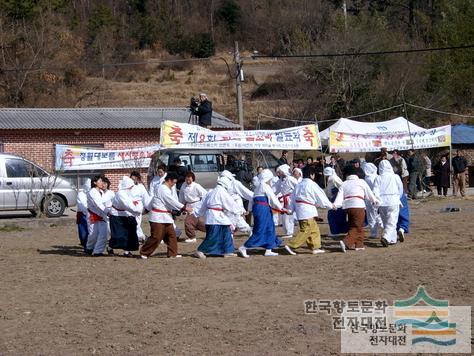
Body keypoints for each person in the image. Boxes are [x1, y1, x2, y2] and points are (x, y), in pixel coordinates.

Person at [140, 172, 192, 259]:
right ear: (169, 180)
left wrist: (175, 211)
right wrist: (183, 207)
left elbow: (167, 203)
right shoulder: (162, 189)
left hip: (166, 216)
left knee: (172, 235)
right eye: (174, 182)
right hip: (157, 217)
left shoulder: (166, 189)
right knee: (156, 237)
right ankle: (144, 252)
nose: (174, 184)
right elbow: (170, 201)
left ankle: (172, 253)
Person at [284, 167, 333, 255]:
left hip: (301, 210)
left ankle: (315, 247)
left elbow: (292, 199)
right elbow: (320, 196)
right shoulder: (312, 184)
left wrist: (290, 209)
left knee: (314, 229)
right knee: (306, 230)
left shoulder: (298, 185)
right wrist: (330, 205)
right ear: (312, 175)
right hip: (307, 210)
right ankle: (291, 245)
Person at [239, 169, 286, 258]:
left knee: (269, 227)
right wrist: (281, 208)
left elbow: (252, 200)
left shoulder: (258, 187)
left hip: (260, 209)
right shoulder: (264, 186)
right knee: (260, 228)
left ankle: (269, 249)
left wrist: (249, 209)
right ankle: (244, 247)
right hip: (262, 209)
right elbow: (273, 198)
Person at [334, 166, 379, 252]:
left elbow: (339, 196)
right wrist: (375, 200)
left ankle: (359, 245)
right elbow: (369, 193)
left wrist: (336, 205)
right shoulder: (361, 182)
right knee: (357, 226)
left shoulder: (344, 183)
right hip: (358, 205)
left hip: (347, 207)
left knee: (355, 225)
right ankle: (346, 242)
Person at [194, 176, 240, 258]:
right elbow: (230, 203)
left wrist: (198, 213)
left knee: (226, 232)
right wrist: (238, 210)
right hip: (216, 216)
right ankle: (200, 250)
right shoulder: (222, 192)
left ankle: (227, 251)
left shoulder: (211, 192)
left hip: (215, 216)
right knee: (213, 236)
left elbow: (203, 204)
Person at [108, 176, 144, 257]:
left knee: (129, 233)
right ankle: (110, 247)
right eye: (130, 186)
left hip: (125, 214)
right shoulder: (121, 193)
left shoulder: (128, 192)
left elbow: (133, 202)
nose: (132, 188)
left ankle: (127, 251)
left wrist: (137, 208)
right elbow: (128, 205)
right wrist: (137, 210)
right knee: (118, 235)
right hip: (116, 215)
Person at [373, 161, 404, 247]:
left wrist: (377, 200)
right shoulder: (395, 177)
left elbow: (375, 190)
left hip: (382, 203)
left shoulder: (378, 178)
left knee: (386, 222)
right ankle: (386, 237)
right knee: (392, 222)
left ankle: (392, 239)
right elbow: (400, 188)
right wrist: (398, 197)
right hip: (393, 201)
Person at [219, 170, 254, 236]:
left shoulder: (235, 183)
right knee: (235, 222)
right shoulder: (221, 184)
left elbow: (245, 191)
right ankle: (249, 230)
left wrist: (256, 196)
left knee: (236, 222)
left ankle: (249, 231)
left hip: (235, 205)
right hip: (226, 207)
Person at [179, 172, 207, 243]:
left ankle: (192, 237)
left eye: (189, 178)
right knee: (193, 222)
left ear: (193, 178)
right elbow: (181, 196)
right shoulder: (183, 185)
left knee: (190, 221)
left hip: (196, 205)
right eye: (186, 178)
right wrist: (181, 206)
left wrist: (202, 205)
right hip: (188, 205)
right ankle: (193, 235)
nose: (188, 179)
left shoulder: (196, 186)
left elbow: (205, 194)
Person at [85, 175, 110, 256]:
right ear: (95, 182)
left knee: (104, 233)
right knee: (93, 234)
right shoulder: (92, 192)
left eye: (102, 181)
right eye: (100, 181)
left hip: (102, 215)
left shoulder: (102, 192)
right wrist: (107, 211)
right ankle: (89, 248)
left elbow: (105, 203)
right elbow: (98, 204)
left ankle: (98, 251)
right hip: (93, 215)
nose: (102, 183)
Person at [274, 164, 298, 239]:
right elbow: (274, 190)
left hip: (290, 199)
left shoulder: (290, 179)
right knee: (283, 216)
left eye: (280, 171)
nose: (278, 173)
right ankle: (287, 231)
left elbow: (298, 187)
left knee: (289, 215)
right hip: (283, 200)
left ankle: (290, 232)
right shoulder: (279, 180)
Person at [323, 167, 347, 236]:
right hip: (334, 198)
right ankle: (341, 230)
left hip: (336, 198)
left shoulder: (334, 178)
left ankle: (335, 231)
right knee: (339, 214)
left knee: (332, 215)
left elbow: (342, 186)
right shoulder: (331, 178)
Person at [130, 171, 151, 243]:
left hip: (138, 208)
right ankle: (141, 237)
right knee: (132, 225)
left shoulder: (141, 187)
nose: (133, 180)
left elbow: (146, 198)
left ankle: (141, 237)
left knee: (137, 224)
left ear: (138, 178)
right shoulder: (127, 187)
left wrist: (148, 208)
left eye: (135, 178)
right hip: (128, 208)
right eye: (132, 179)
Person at [363, 163, 382, 238]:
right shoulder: (378, 176)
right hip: (378, 199)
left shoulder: (367, 178)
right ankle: (386, 229)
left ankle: (373, 233)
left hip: (370, 199)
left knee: (371, 217)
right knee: (379, 216)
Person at [76, 178, 91, 249]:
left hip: (91, 214)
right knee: (83, 232)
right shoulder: (81, 194)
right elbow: (83, 205)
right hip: (83, 214)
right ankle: (85, 244)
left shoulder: (93, 193)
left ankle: (89, 245)